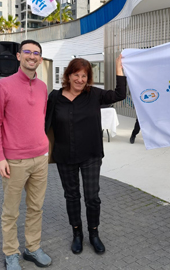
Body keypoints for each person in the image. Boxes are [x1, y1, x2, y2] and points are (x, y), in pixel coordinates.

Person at [45, 55, 126, 255]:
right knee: (71, 196)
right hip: (64, 155)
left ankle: (94, 233)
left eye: (84, 75)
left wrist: (119, 68)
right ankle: (77, 234)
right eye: (76, 75)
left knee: (92, 197)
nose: (80, 79)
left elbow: (120, 94)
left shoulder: (94, 94)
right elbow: (44, 122)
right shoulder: (55, 97)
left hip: (90, 155)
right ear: (68, 75)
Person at [0, 40, 52, 270]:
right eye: (27, 52)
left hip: (40, 158)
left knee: (36, 207)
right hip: (14, 161)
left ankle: (32, 248)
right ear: (18, 56)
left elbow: (41, 119)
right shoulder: (4, 86)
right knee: (11, 211)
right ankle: (10, 253)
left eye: (36, 53)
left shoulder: (44, 87)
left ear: (40, 59)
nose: (31, 56)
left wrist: (45, 150)